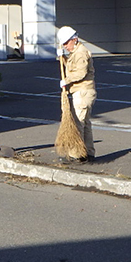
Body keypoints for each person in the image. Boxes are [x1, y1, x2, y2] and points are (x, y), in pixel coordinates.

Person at [57, 26, 96, 161]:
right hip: (81, 91)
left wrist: (66, 81)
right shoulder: (75, 52)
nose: (66, 46)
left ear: (74, 39)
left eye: (67, 43)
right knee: (85, 123)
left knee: (78, 123)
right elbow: (71, 66)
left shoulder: (80, 53)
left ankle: (76, 155)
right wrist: (62, 58)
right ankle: (88, 152)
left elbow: (81, 72)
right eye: (64, 44)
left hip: (83, 92)